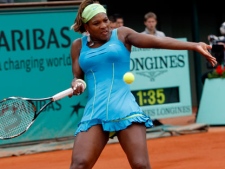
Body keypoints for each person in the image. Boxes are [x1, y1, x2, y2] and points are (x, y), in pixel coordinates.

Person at [69, 1, 217, 169]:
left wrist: (194, 45)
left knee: (141, 165)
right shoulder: (78, 46)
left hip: (124, 108)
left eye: (105, 20)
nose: (104, 26)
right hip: (95, 111)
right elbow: (77, 76)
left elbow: (157, 41)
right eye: (96, 23)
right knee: (79, 165)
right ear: (86, 27)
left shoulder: (122, 35)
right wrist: (77, 83)